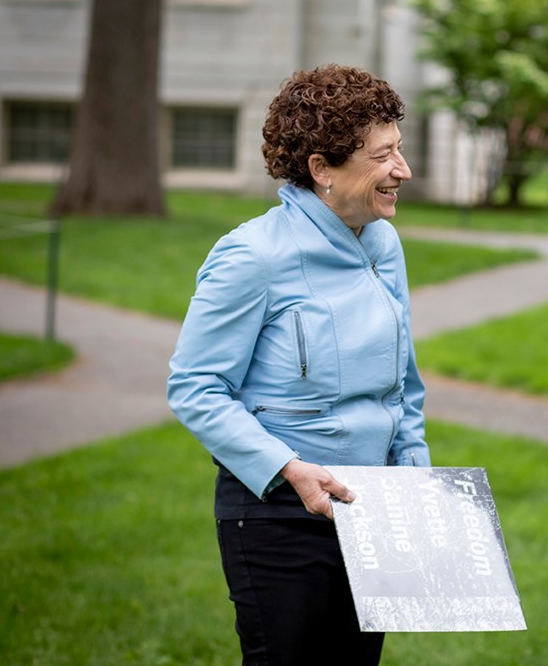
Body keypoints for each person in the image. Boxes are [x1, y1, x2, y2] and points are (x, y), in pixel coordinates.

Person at [168, 64, 430, 665]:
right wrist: (289, 468)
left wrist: (414, 477)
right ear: (322, 169)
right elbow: (196, 386)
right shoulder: (253, 255)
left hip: (375, 505)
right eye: (383, 154)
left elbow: (402, 385)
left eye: (400, 149)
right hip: (280, 514)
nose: (403, 171)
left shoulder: (382, 241)